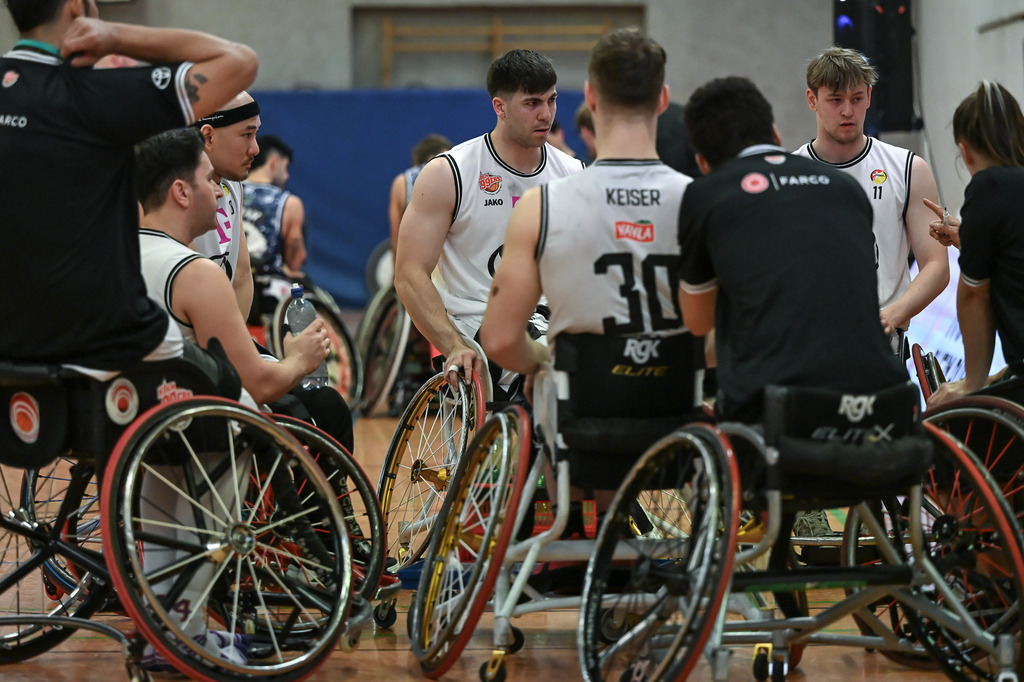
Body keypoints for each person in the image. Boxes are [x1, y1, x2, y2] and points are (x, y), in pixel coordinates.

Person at [479, 29, 695, 522]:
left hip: (585, 419)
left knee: (549, 376)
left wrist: (543, 360)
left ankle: (572, 539)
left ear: (590, 98)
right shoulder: (697, 203)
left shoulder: (545, 204)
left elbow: (498, 338)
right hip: (677, 419)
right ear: (662, 100)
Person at [0, 0, 256, 374]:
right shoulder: (98, 94)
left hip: (8, 338)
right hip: (103, 338)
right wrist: (116, 37)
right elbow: (240, 61)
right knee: (239, 395)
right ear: (76, 5)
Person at [677, 75, 906, 436]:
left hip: (779, 410)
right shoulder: (845, 188)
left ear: (703, 162)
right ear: (775, 134)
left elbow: (698, 322)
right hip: (878, 400)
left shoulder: (705, 194)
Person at [136, 127, 354, 448]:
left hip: (129, 413)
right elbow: (261, 386)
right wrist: (300, 358)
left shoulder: (119, 256)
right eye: (211, 182)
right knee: (321, 406)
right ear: (181, 193)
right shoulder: (198, 274)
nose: (221, 193)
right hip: (189, 424)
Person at [394, 48, 584, 395]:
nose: (546, 114)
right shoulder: (448, 172)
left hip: (552, 318)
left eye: (551, 101)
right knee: (559, 364)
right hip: (481, 324)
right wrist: (452, 345)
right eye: (532, 103)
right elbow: (409, 274)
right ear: (500, 107)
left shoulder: (573, 173)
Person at [794, 46, 948, 358]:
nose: (848, 111)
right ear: (812, 100)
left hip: (882, 347)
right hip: (810, 346)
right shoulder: (789, 175)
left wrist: (893, 314)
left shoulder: (908, 169)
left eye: (857, 98)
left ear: (869, 96)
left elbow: (936, 266)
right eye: (835, 100)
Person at [925, 81, 1024, 407]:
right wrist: (971, 238)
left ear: (965, 150)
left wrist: (973, 384)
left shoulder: (989, 186)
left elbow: (974, 295)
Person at [194, 91, 260, 321]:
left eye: (256, 134)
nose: (255, 149)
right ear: (208, 137)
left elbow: (241, 276)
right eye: (247, 135)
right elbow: (187, 286)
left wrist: (235, 348)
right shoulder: (176, 191)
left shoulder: (233, 184)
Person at [243, 133, 306, 279]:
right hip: (263, 292)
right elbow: (295, 260)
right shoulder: (289, 203)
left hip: (222, 279)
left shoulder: (224, 190)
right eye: (285, 168)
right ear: (274, 162)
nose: (287, 176)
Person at [388, 132, 452, 255]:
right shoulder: (457, 176)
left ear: (417, 157)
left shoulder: (402, 182)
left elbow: (397, 237)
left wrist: (396, 271)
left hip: (417, 258)